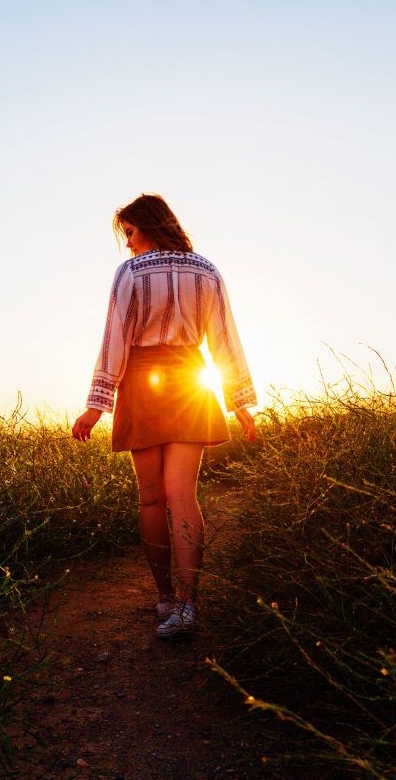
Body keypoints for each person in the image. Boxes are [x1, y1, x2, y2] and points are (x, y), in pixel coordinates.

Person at [71, 193, 257, 638]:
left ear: (148, 227)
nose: (129, 245)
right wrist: (239, 400)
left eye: (130, 233)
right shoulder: (207, 270)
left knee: (152, 498)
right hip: (191, 382)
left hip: (142, 381)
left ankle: (166, 598)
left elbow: (114, 338)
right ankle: (189, 604)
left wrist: (97, 405)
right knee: (183, 496)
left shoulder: (130, 273)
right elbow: (224, 339)